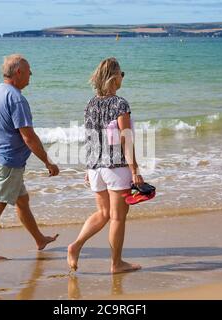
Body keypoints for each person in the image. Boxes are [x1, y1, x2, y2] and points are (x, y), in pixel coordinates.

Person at [0, 54, 59, 261]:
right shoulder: (16, 98)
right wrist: (48, 161)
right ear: (18, 72)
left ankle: (39, 239)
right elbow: (28, 136)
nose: (31, 74)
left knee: (22, 201)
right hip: (9, 161)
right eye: (29, 71)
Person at [67, 57, 144, 274]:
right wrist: (135, 170)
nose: (123, 77)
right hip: (115, 167)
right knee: (118, 217)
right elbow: (125, 138)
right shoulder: (120, 103)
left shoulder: (90, 104)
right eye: (122, 73)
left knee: (103, 213)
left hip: (95, 168)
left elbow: (90, 138)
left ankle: (75, 246)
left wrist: (88, 168)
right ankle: (116, 264)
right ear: (113, 77)